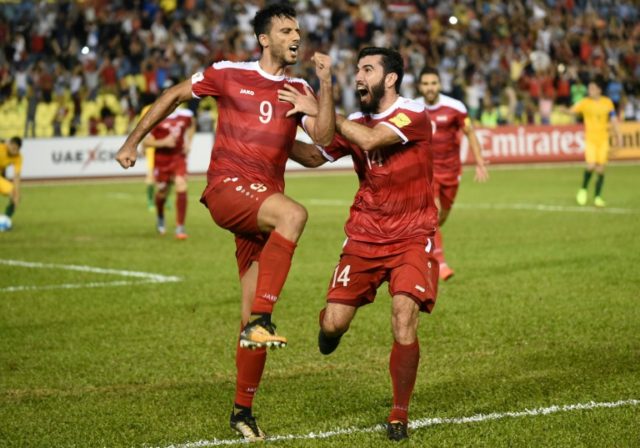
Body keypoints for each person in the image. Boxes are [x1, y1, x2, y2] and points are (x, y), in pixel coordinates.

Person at [114, 3, 335, 441]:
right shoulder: (229, 72)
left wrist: (324, 88)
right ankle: (264, 319)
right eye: (286, 30)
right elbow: (174, 95)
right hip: (228, 188)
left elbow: (321, 143)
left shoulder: (298, 87)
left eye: (299, 30)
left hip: (259, 209)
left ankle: (242, 411)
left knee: (249, 319)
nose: (296, 37)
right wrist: (132, 142)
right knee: (294, 213)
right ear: (264, 39)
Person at [283, 47, 438, 441]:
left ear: (390, 78)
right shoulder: (352, 121)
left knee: (404, 316)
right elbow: (314, 157)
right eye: (356, 70)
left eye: (367, 69)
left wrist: (319, 109)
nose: (358, 77)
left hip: (411, 236)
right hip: (365, 236)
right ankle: (330, 330)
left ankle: (399, 413)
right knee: (334, 324)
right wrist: (271, 136)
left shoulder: (413, 114)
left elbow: (370, 141)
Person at [416, 67, 489, 281]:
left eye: (433, 83)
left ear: (439, 84)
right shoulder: (412, 108)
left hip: (452, 171)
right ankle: (441, 264)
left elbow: (470, 133)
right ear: (420, 86)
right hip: (426, 172)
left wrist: (480, 162)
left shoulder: (455, 107)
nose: (430, 88)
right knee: (433, 214)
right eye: (426, 84)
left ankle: (425, 244)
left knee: (441, 218)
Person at [142, 107, 195, 239]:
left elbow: (192, 124)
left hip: (178, 157)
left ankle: (180, 227)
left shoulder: (185, 114)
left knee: (181, 184)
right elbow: (145, 142)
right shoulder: (156, 117)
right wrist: (163, 142)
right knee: (162, 193)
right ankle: (160, 216)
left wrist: (188, 142)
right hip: (161, 161)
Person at [571, 77, 621, 207]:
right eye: (589, 88)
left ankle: (598, 197)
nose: (590, 90)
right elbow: (572, 111)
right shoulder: (585, 102)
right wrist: (563, 110)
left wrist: (618, 136)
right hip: (591, 139)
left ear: (599, 90)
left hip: (603, 139)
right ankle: (583, 190)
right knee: (591, 165)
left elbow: (614, 120)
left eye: (592, 88)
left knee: (600, 169)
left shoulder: (608, 102)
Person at [0, 136, 23, 223]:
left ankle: (5, 219)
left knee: (16, 195)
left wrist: (17, 192)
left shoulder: (18, 157)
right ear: (8, 144)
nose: (14, 151)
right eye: (12, 147)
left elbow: (16, 176)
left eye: (16, 149)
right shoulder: (1, 147)